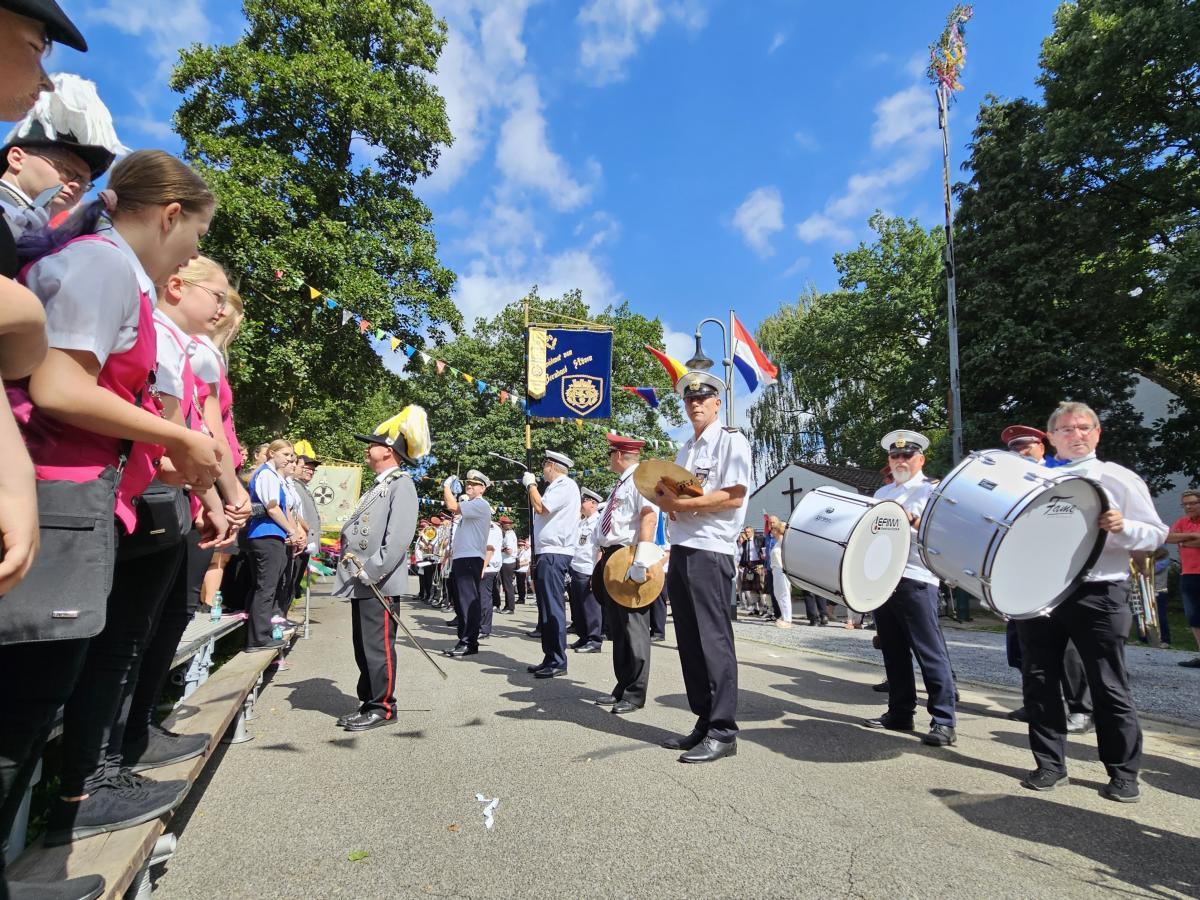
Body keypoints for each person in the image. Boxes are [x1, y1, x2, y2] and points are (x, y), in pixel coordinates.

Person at [9, 149, 224, 850]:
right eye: (193, 239)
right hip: (57, 490)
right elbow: (60, 388)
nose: (191, 258)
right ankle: (68, 804)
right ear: (168, 217)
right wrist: (175, 437)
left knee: (43, 692)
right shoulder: (104, 266)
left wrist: (157, 452)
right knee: (25, 706)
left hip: (78, 492)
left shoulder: (110, 271)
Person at [1015, 401, 1167, 802]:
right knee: (1039, 679)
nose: (1076, 434)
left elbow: (1155, 534)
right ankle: (1050, 764)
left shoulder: (1117, 477)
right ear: (1052, 438)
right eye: (1066, 429)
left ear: (1097, 433)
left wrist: (1124, 526)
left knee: (1108, 683)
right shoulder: (1032, 478)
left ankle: (1123, 772)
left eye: (1084, 427)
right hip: (1041, 591)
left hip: (1100, 590)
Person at [655, 371, 751, 763]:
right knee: (690, 642)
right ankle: (704, 720)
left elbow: (733, 496)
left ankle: (723, 730)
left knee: (713, 641)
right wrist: (671, 507)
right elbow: (679, 495)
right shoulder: (685, 450)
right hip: (683, 548)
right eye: (689, 399)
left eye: (703, 397)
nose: (695, 403)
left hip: (711, 550)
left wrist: (679, 507)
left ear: (718, 402)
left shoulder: (732, 441)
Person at [862, 430, 958, 747]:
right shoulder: (881, 492)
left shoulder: (933, 492)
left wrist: (912, 520)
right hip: (883, 578)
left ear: (921, 459)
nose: (900, 460)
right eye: (895, 456)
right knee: (893, 650)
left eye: (907, 455)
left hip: (917, 577)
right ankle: (900, 713)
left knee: (928, 652)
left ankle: (943, 720)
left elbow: (943, 536)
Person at [331, 409, 424, 731]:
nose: (366, 448)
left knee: (377, 646)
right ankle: (368, 701)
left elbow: (397, 538)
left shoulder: (401, 485)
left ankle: (383, 706)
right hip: (363, 579)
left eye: (372, 443)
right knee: (364, 646)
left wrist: (372, 571)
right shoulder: (382, 485)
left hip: (376, 581)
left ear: (388, 450)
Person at [1000, 423, 1093, 731]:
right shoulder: (1008, 483)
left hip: (1059, 571)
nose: (1020, 452)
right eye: (1014, 448)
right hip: (1024, 571)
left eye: (1026, 445)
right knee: (1023, 646)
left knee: (1066, 647)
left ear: (1042, 445)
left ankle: (1080, 708)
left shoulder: (1061, 475)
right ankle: (1038, 703)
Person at [590, 433, 660, 714]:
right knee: (618, 629)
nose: (609, 459)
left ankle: (634, 693)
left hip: (630, 556)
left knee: (634, 629)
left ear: (618, 455)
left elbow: (648, 516)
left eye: (610, 454)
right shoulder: (621, 483)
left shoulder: (641, 479)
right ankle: (622, 686)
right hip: (613, 558)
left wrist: (641, 559)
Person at [522, 450, 581, 678]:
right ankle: (550, 657)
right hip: (548, 552)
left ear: (552, 466)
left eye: (545, 464)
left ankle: (558, 660)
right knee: (546, 607)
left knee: (553, 607)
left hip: (555, 552)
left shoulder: (564, 485)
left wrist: (530, 485)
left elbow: (541, 507)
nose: (542, 469)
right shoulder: (557, 487)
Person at [245, 440, 302, 651]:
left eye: (292, 455)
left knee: (272, 585)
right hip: (265, 534)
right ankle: (257, 638)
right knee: (266, 587)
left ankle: (263, 632)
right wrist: (292, 530)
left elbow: (284, 507)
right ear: (272, 454)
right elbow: (272, 507)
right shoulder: (267, 474)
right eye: (286, 454)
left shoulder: (276, 476)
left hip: (274, 534)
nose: (290, 458)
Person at [442, 470, 492, 658]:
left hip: (470, 558)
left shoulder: (480, 504)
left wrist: (446, 487)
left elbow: (452, 506)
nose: (468, 485)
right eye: (468, 483)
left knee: (467, 601)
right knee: (461, 602)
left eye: (474, 484)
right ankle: (464, 639)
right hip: (463, 558)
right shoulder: (471, 505)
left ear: (482, 489)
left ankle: (469, 642)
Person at [1167, 490, 1200, 667]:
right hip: (1188, 574)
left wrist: (1183, 541)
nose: (1188, 507)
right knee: (1194, 617)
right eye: (1185, 504)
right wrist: (1192, 538)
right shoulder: (1182, 522)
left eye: (1193, 503)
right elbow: (1168, 537)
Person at [569, 488, 603, 653]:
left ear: (593, 503)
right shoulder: (582, 522)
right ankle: (583, 637)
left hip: (589, 569)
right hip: (577, 568)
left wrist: (596, 573)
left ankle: (594, 640)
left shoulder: (598, 522)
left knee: (591, 607)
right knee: (578, 607)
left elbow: (600, 549)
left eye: (583, 501)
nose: (581, 505)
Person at [737, 525, 769, 618]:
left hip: (758, 565)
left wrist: (763, 564)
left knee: (760, 588)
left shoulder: (759, 539)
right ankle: (756, 609)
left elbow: (764, 551)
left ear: (753, 532)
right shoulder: (744, 542)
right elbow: (744, 555)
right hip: (748, 566)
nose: (747, 533)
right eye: (746, 532)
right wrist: (741, 564)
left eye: (748, 532)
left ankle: (764, 609)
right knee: (751, 589)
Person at [481, 517, 502, 638]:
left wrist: (483, 567)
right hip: (485, 565)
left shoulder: (490, 527)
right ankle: (480, 626)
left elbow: (489, 549)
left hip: (487, 567)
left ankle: (484, 629)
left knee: (484, 598)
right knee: (481, 598)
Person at [768, 519, 791, 628]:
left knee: (783, 594)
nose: (771, 531)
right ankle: (784, 615)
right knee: (778, 594)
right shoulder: (778, 542)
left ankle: (787, 619)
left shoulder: (782, 541)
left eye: (773, 529)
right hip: (776, 570)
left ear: (776, 531)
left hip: (781, 570)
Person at [498, 516, 518, 614]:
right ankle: (508, 606)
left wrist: (500, 549)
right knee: (507, 585)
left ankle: (510, 607)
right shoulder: (510, 534)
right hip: (508, 561)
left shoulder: (509, 535)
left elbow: (509, 551)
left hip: (507, 562)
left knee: (507, 585)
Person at [516, 538, 531, 605]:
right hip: (518, 570)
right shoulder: (519, 552)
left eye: (521, 545)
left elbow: (527, 562)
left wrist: (519, 564)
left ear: (524, 546)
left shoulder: (526, 552)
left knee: (522, 585)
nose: (520, 546)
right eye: (519, 545)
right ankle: (520, 598)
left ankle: (522, 598)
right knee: (519, 585)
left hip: (523, 570)